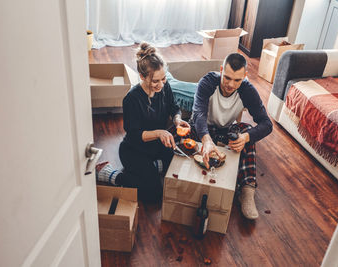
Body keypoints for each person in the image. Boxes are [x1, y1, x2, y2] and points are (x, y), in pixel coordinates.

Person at [97, 42, 190, 202]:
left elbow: (174, 108)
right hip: (134, 150)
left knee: (182, 169)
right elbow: (134, 135)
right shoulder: (131, 99)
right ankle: (112, 175)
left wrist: (177, 120)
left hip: (157, 147)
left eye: (163, 79)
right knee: (154, 195)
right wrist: (160, 133)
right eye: (155, 81)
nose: (161, 85)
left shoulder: (164, 87)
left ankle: (153, 167)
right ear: (142, 77)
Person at [190, 53, 272, 219]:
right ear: (221, 70)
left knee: (248, 131)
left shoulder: (247, 90)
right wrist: (206, 140)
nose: (230, 84)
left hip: (226, 130)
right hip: (203, 128)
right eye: (227, 78)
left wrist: (245, 138)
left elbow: (266, 124)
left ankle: (247, 191)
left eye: (237, 80)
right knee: (179, 133)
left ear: (245, 77)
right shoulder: (207, 82)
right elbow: (198, 114)